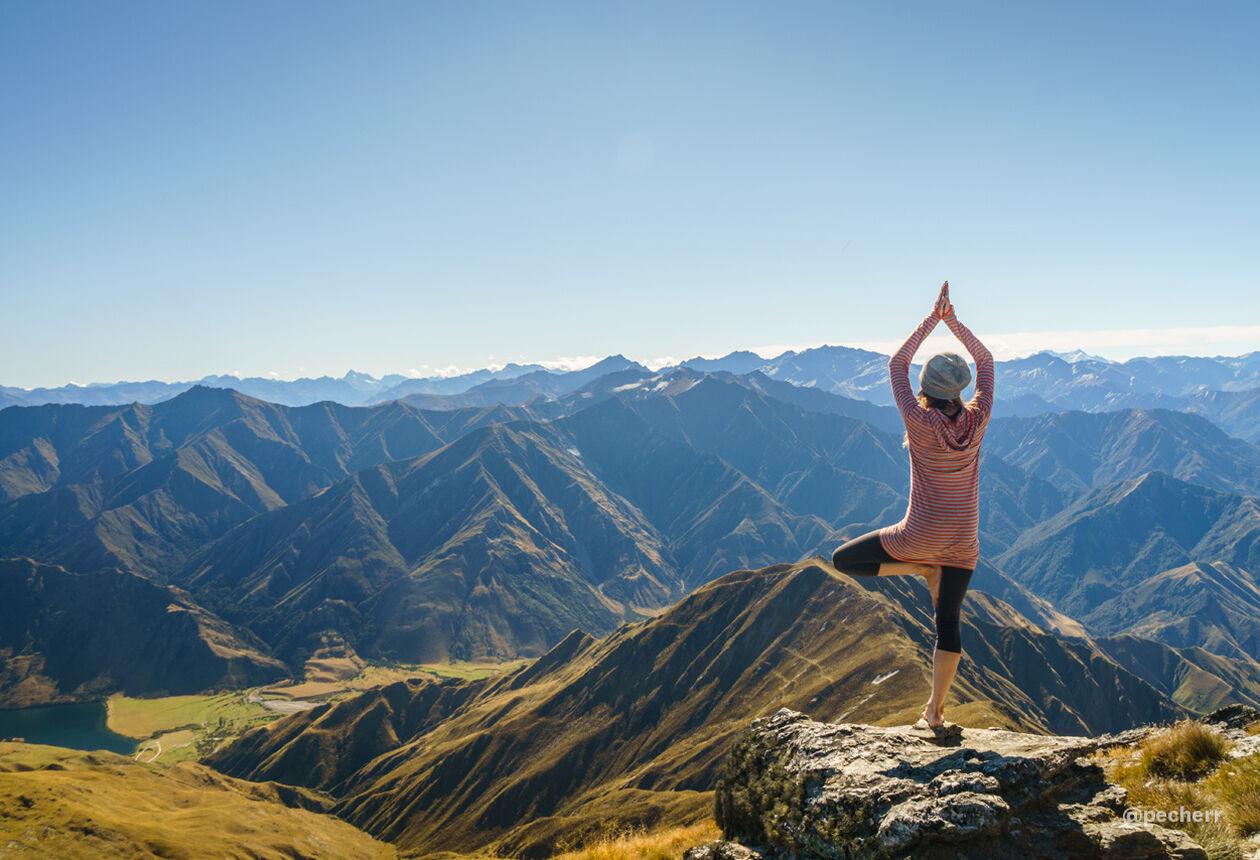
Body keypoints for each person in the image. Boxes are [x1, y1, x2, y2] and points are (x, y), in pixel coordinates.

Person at [830, 280, 994, 731]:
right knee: (948, 623)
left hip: (918, 535)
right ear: (960, 389)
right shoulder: (978, 419)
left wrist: (931, 319)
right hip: (964, 539)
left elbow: (896, 363)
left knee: (844, 559)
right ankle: (935, 713)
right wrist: (954, 321)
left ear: (926, 388)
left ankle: (921, 568)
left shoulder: (919, 420)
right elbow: (985, 360)